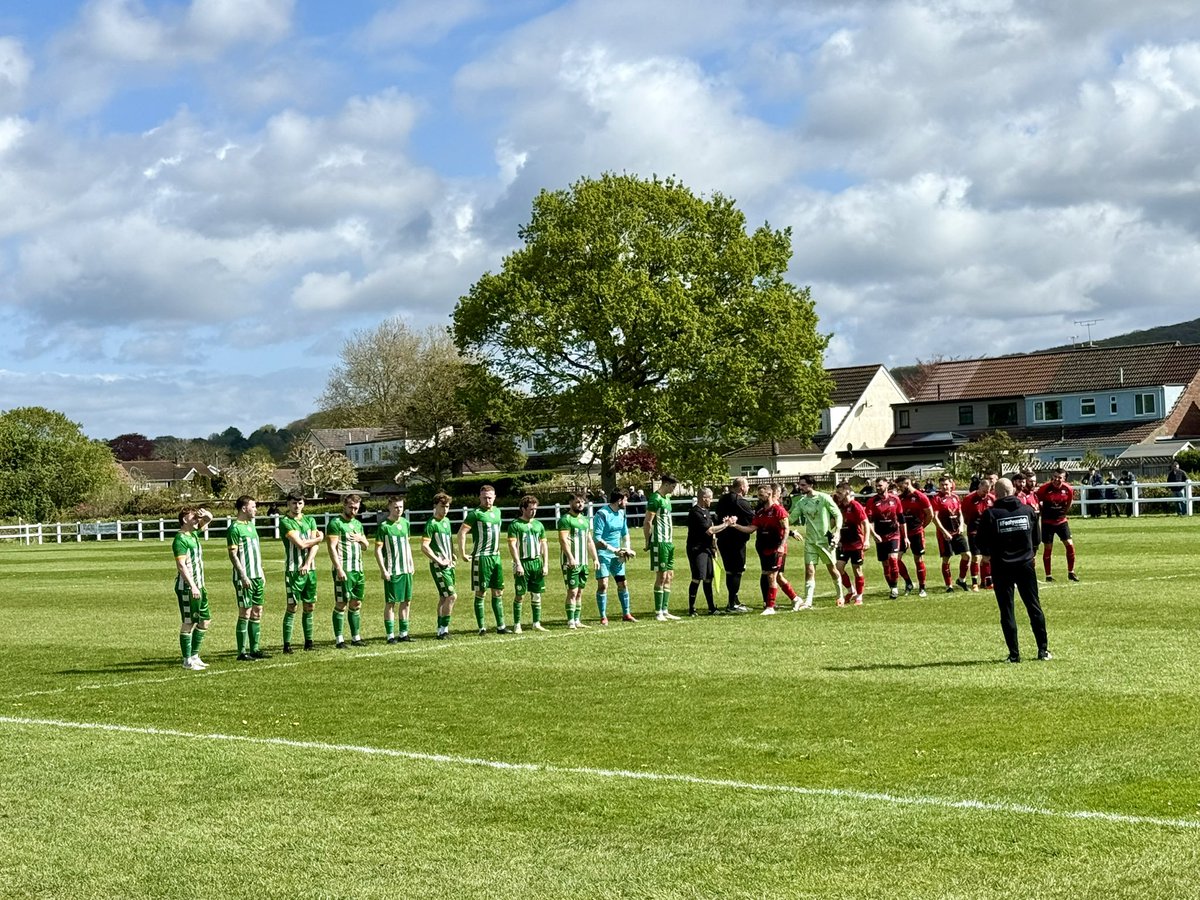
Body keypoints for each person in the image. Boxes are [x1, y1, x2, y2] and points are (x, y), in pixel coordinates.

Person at [977, 477, 1050, 663]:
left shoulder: (990, 514)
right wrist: (1030, 554)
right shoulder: (1028, 511)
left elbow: (981, 543)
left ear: (996, 492)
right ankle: (1043, 650)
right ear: (1013, 491)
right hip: (1026, 565)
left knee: (1007, 610)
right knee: (1034, 607)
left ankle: (1014, 654)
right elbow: (1037, 539)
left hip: (1001, 567)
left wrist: (987, 555)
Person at [729, 483, 798, 615]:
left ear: (769, 494)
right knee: (771, 576)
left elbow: (786, 529)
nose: (759, 497)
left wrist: (782, 546)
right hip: (764, 548)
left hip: (776, 548)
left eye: (761, 495)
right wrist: (735, 526)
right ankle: (795, 599)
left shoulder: (779, 510)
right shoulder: (761, 512)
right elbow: (751, 529)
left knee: (772, 576)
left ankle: (770, 607)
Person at [788, 474, 845, 610]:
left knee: (832, 569)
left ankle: (840, 595)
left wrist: (837, 532)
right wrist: (784, 523)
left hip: (825, 541)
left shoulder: (823, 498)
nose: (800, 488)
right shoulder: (801, 502)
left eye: (803, 485)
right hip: (810, 541)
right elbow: (790, 518)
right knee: (809, 570)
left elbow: (838, 514)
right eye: (800, 485)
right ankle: (808, 601)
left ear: (811, 485)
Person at [458, 484, 507, 635]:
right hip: (481, 557)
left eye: (490, 498)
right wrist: (463, 553)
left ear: (494, 497)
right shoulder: (475, 514)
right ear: (479, 497)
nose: (487, 500)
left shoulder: (497, 511)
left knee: (498, 591)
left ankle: (501, 626)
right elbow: (462, 533)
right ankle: (482, 628)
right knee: (481, 592)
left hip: (496, 557)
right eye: (484, 498)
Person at [280, 492, 324, 653]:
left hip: (309, 570)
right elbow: (301, 544)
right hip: (293, 571)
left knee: (310, 605)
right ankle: (287, 645)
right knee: (292, 606)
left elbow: (313, 546)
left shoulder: (310, 520)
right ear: (288, 504)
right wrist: (319, 539)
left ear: (303, 504)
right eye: (293, 503)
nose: (296, 506)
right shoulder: (285, 522)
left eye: (299, 503)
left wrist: (307, 563)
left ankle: (309, 642)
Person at [327, 491, 371, 647]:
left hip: (358, 569)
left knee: (356, 603)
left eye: (356, 508)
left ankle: (356, 637)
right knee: (341, 603)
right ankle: (339, 639)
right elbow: (332, 547)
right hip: (344, 569)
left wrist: (361, 539)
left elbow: (366, 546)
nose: (354, 511)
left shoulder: (358, 524)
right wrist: (339, 568)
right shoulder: (335, 523)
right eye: (351, 507)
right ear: (344, 505)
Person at [227, 495, 268, 661]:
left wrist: (262, 572)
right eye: (253, 506)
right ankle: (241, 652)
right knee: (245, 611)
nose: (256, 509)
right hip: (245, 577)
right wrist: (243, 575)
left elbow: (256, 552)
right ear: (244, 508)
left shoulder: (251, 526)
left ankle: (255, 648)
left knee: (257, 611)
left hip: (257, 576)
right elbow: (233, 554)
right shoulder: (234, 528)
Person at [173, 505, 214, 670]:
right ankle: (187, 660)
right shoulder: (180, 539)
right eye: (194, 517)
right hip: (188, 587)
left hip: (200, 586)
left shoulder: (193, 534)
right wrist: (193, 586)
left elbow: (209, 519)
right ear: (184, 520)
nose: (197, 520)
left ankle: (195, 655)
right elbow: (181, 566)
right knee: (189, 622)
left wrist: (204, 514)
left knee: (205, 620)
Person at [685, 487, 732, 615]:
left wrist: (713, 547)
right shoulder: (695, 513)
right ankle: (691, 608)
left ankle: (711, 607)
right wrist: (726, 524)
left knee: (708, 578)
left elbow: (712, 532)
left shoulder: (706, 511)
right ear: (704, 498)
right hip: (696, 549)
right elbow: (710, 530)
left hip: (706, 549)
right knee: (697, 577)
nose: (711, 500)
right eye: (710, 498)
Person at [374, 495, 415, 644]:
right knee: (391, 603)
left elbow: (407, 545)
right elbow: (378, 550)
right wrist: (383, 569)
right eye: (396, 507)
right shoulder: (384, 526)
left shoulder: (405, 523)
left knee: (406, 601)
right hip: (392, 570)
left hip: (406, 569)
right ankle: (390, 635)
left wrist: (411, 563)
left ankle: (404, 633)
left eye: (401, 507)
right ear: (389, 507)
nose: (399, 510)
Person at [508, 494, 549, 633]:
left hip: (536, 562)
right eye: (531, 509)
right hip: (523, 562)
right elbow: (512, 546)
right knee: (520, 594)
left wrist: (545, 564)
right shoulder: (515, 525)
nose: (533, 511)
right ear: (523, 509)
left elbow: (544, 545)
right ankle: (517, 624)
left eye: (535, 509)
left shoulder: (539, 525)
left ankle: (536, 623)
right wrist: (517, 563)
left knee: (537, 594)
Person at [592, 488, 635, 623]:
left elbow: (625, 533)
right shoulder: (602, 514)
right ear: (619, 500)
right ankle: (603, 616)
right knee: (603, 585)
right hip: (603, 555)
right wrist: (613, 550)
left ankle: (626, 614)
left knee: (622, 583)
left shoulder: (621, 513)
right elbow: (597, 539)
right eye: (626, 499)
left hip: (617, 556)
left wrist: (627, 549)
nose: (627, 502)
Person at [558, 493, 600, 629]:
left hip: (583, 562)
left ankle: (577, 620)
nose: (580, 504)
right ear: (571, 503)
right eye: (577, 502)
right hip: (571, 562)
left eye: (582, 502)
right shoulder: (565, 519)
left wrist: (595, 558)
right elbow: (563, 540)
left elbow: (589, 541)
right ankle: (570, 621)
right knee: (572, 591)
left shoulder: (585, 520)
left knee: (580, 591)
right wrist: (570, 557)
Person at [714, 477, 754, 612]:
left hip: (723, 540)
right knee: (737, 571)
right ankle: (732, 604)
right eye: (747, 486)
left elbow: (717, 516)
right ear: (742, 487)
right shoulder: (740, 501)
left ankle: (734, 599)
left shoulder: (723, 499)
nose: (748, 488)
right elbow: (753, 518)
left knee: (730, 571)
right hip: (736, 541)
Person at [421, 492, 457, 639]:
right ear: (435, 506)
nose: (445, 510)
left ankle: (440, 630)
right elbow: (424, 546)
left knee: (444, 597)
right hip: (439, 566)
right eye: (442, 506)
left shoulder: (446, 521)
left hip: (449, 565)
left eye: (447, 507)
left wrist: (453, 554)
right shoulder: (431, 524)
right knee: (452, 596)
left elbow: (449, 540)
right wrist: (438, 560)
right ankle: (444, 629)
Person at [644, 474, 680, 620]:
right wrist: (648, 541)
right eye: (672, 486)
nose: (673, 489)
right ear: (666, 484)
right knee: (662, 575)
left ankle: (665, 610)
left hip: (669, 541)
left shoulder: (667, 499)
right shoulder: (655, 498)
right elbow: (647, 522)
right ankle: (658, 611)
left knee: (669, 575)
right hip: (660, 541)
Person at [1035, 468, 1079, 582]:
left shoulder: (1068, 489)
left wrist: (1063, 513)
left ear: (1064, 479)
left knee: (1069, 545)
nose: (1056, 479)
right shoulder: (1045, 488)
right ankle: (1048, 575)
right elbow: (1035, 499)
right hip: (1047, 522)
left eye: (1059, 477)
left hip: (1061, 521)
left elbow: (1069, 502)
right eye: (1055, 477)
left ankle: (1071, 572)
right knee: (1048, 548)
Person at [865, 477, 905, 599]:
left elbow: (901, 519)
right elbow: (869, 521)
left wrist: (906, 537)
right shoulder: (872, 501)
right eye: (876, 486)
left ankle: (895, 588)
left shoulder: (895, 499)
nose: (878, 488)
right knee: (885, 564)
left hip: (894, 534)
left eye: (880, 485)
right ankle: (892, 587)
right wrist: (874, 534)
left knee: (893, 559)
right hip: (880, 536)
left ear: (887, 485)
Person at [895, 475, 933, 597]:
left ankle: (922, 587)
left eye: (901, 486)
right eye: (898, 487)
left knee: (918, 559)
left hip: (916, 532)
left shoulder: (920, 497)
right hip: (902, 534)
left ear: (907, 483)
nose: (900, 489)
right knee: (896, 559)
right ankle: (908, 583)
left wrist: (922, 526)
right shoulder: (900, 498)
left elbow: (930, 515)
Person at [931, 475, 971, 593]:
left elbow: (960, 513)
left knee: (967, 555)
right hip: (944, 534)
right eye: (942, 485)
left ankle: (961, 580)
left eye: (946, 484)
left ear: (951, 485)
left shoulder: (955, 497)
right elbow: (935, 517)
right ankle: (949, 586)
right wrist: (943, 531)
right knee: (946, 559)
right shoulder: (937, 499)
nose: (945, 487)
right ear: (939, 486)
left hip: (957, 531)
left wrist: (961, 524)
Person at [833, 483, 868, 605]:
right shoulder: (839, 506)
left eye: (840, 493)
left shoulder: (856, 506)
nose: (838, 495)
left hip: (856, 542)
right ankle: (851, 590)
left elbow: (865, 523)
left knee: (857, 569)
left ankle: (859, 595)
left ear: (847, 492)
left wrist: (867, 540)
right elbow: (834, 522)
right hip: (844, 543)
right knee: (838, 567)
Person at [962, 474, 995, 591]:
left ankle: (986, 581)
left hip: (988, 532)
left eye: (988, 491)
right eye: (984, 491)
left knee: (987, 557)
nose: (985, 494)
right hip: (974, 531)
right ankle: (974, 582)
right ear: (979, 487)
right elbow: (965, 516)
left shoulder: (991, 499)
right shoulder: (969, 499)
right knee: (976, 557)